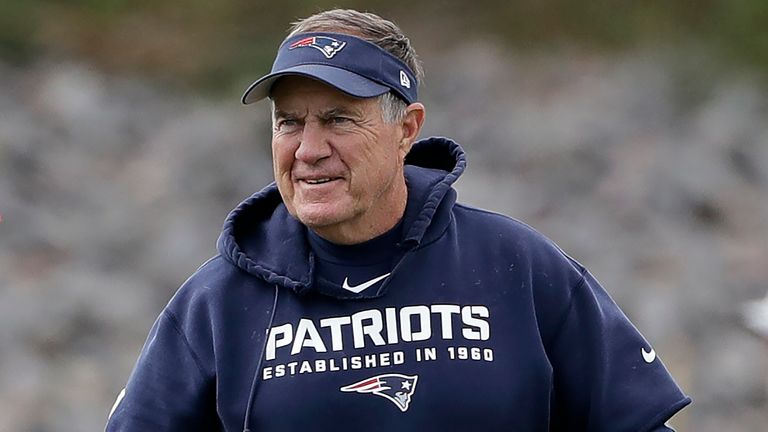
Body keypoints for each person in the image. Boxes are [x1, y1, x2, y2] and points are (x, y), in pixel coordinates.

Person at [106, 8, 691, 432]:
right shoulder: (216, 303)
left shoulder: (518, 267)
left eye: (338, 119)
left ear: (406, 129)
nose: (308, 149)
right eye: (289, 123)